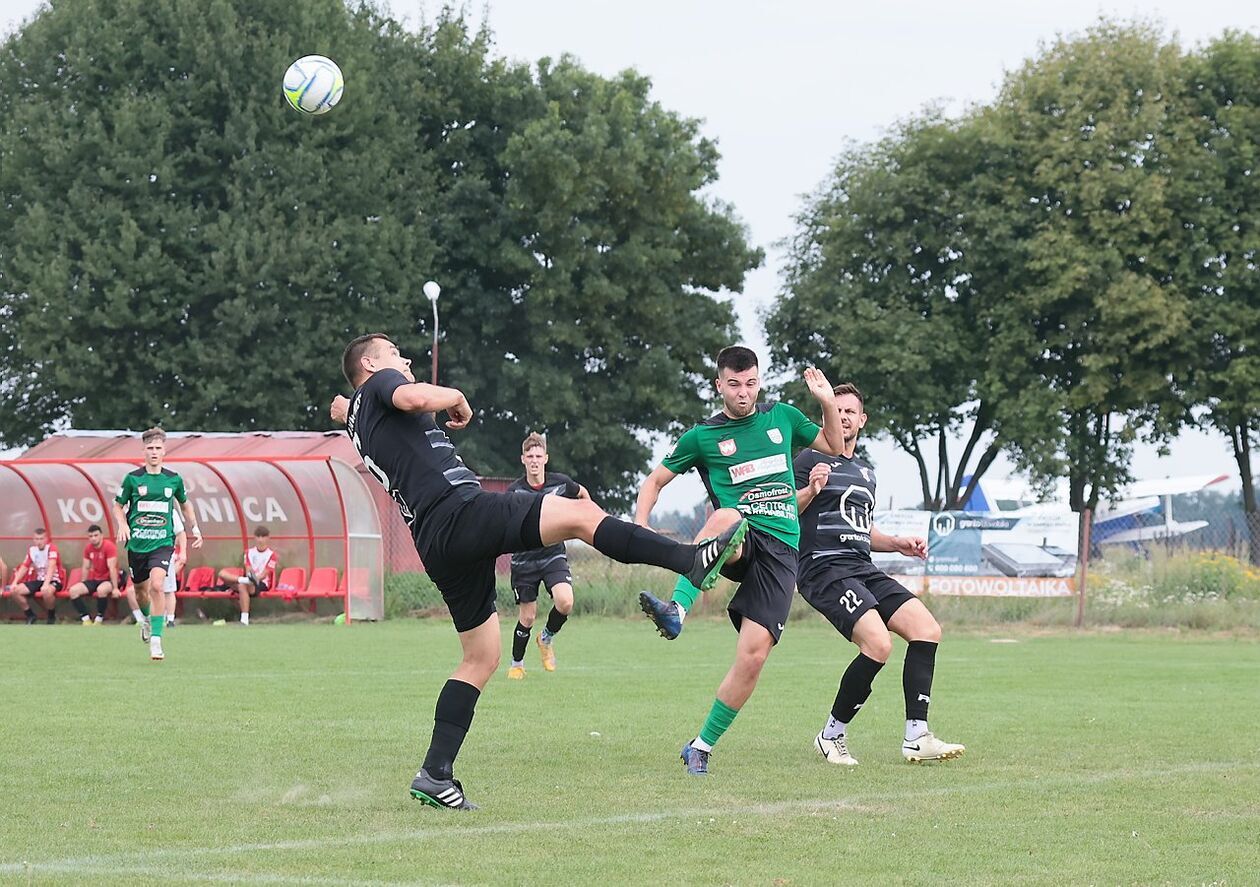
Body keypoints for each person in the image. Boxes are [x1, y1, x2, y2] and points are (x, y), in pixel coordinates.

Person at [329, 332, 745, 810]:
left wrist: (345, 408)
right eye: (392, 353)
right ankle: (690, 559)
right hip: (460, 512)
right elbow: (415, 397)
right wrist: (457, 396)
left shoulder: (359, 413)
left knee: (480, 658)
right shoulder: (382, 384)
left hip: (433, 540)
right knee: (582, 516)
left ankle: (435, 773)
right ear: (370, 364)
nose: (403, 359)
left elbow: (357, 409)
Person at [635, 346, 845, 776]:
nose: (743, 392)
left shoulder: (783, 417)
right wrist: (641, 525)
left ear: (759, 382)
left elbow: (834, 446)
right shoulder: (702, 437)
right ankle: (676, 610)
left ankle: (700, 747)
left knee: (753, 657)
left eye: (750, 383)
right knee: (726, 517)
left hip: (781, 551)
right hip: (740, 538)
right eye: (734, 384)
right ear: (719, 385)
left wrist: (826, 401)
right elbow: (654, 481)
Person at [794, 382, 965, 765]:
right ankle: (831, 735)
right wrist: (811, 490)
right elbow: (785, 509)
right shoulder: (808, 459)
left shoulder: (866, 473)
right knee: (878, 644)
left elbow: (861, 529)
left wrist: (896, 543)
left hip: (861, 567)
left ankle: (917, 736)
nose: (842, 417)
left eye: (850, 411)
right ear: (826, 414)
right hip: (823, 567)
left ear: (862, 420)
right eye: (836, 409)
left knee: (926, 629)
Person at [112, 427, 203, 660]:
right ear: (144, 451)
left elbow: (185, 504)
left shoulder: (173, 479)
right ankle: (145, 620)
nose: (154, 452)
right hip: (137, 545)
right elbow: (118, 505)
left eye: (158, 448)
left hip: (162, 542)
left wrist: (195, 528)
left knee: (158, 585)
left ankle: (156, 641)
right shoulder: (133, 478)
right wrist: (122, 524)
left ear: (164, 451)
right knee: (141, 592)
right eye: (150, 448)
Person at [505, 433, 590, 679]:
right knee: (527, 616)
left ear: (546, 458)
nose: (534, 460)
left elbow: (583, 494)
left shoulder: (561, 484)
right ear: (523, 459)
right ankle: (517, 664)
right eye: (530, 456)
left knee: (566, 602)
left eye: (538, 456)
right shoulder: (514, 491)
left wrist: (586, 519)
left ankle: (546, 638)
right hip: (524, 561)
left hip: (553, 555)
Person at [65, 524, 125, 624]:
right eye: (91, 536)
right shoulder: (88, 548)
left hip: (109, 580)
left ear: (101, 535)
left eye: (96, 535)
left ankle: (99, 618)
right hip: (96, 579)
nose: (93, 538)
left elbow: (112, 568)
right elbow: (86, 567)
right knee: (73, 591)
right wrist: (83, 583)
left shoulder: (109, 546)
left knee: (101, 590)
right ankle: (85, 619)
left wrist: (115, 588)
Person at [217, 525, 277, 626]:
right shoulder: (249, 552)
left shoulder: (272, 555)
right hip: (247, 581)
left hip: (260, 583)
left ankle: (244, 620)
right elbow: (248, 569)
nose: (260, 540)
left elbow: (264, 574)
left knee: (242, 586)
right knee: (222, 573)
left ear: (268, 538)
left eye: (263, 537)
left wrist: (254, 579)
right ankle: (242, 580)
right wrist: (249, 578)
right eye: (258, 536)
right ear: (255, 538)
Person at [9, 527, 65, 624]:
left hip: (54, 580)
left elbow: (52, 566)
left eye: (41, 539)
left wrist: (46, 584)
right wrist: (14, 582)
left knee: (46, 591)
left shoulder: (52, 548)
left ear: (46, 539)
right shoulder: (32, 550)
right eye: (37, 539)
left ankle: (51, 616)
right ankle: (30, 615)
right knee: (15, 591)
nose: (39, 541)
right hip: (39, 580)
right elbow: (24, 567)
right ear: (33, 540)